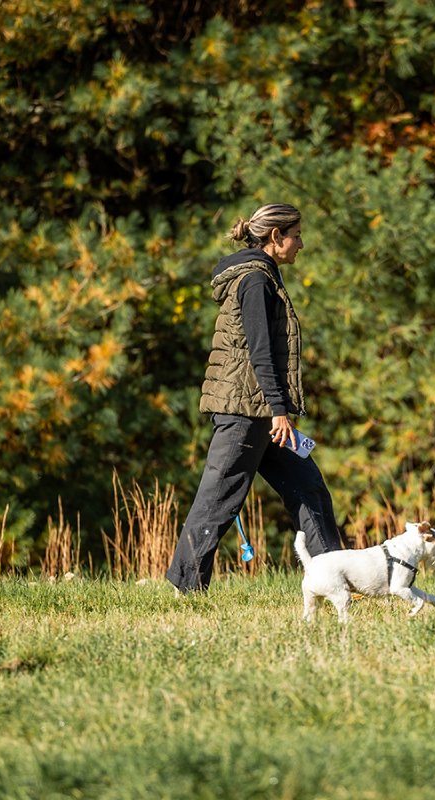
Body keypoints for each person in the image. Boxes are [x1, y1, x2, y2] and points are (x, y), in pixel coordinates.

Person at [166, 203, 345, 593]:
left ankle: (336, 580)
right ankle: (186, 588)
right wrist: (279, 412)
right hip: (246, 412)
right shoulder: (255, 281)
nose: (302, 243)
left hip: (260, 410)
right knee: (218, 500)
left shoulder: (264, 275)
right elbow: (260, 352)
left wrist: (276, 412)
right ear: (276, 237)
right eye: (296, 234)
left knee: (308, 487)